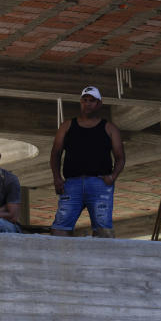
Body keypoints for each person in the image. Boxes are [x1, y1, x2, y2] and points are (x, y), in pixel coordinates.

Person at [49, 86, 125, 238]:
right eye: (85, 100)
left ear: (99, 104)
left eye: (92, 101)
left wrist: (112, 177)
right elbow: (55, 153)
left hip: (99, 183)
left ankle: (101, 261)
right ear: (80, 102)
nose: (88, 104)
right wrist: (57, 178)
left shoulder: (109, 128)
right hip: (72, 183)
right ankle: (60, 259)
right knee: (60, 227)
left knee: (103, 229)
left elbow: (120, 157)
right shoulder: (67, 125)